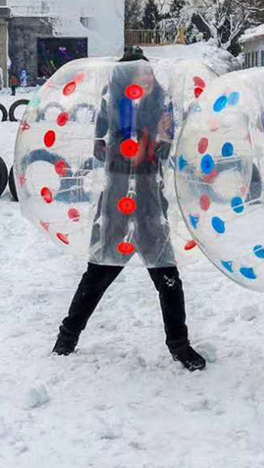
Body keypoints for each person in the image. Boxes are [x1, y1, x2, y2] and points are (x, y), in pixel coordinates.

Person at [52, 51, 206, 371]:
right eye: (139, 75)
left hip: (151, 204)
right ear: (125, 79)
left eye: (148, 74)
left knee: (167, 275)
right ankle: (67, 336)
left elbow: (167, 154)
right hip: (116, 204)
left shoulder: (162, 107)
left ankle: (179, 344)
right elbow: (99, 148)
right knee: (99, 271)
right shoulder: (111, 106)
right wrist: (122, 143)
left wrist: (162, 137)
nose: (146, 79)